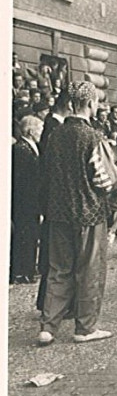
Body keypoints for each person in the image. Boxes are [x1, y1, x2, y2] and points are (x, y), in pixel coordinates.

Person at [39, 81, 115, 346]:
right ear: (91, 104)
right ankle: (85, 328)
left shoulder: (54, 135)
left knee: (58, 269)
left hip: (58, 212)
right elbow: (104, 180)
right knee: (89, 270)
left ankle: (48, 327)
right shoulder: (92, 137)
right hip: (89, 213)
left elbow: (46, 174)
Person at [11, 116, 44, 284]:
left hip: (31, 201)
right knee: (25, 235)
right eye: (39, 129)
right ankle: (22, 272)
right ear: (31, 131)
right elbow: (24, 181)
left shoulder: (29, 147)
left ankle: (28, 270)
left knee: (31, 235)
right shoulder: (21, 149)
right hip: (26, 202)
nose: (41, 132)